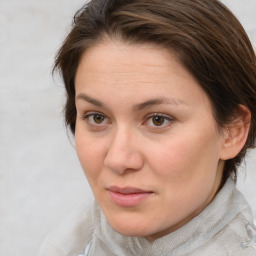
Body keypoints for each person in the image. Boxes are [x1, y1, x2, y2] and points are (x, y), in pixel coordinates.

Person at [39, 0, 256, 255]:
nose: (118, 160)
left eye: (158, 120)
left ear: (232, 131)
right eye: (97, 117)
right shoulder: (64, 245)